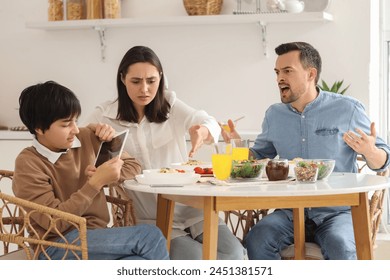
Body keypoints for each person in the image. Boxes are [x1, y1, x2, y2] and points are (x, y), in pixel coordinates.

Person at [222, 41, 390, 260]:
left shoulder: (347, 109)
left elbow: (383, 160)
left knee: (341, 245)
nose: (279, 78)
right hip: (289, 211)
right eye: (277, 72)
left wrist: (370, 152)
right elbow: (259, 155)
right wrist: (237, 146)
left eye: (287, 71)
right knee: (257, 240)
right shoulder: (274, 115)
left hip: (337, 212)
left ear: (311, 74)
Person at [84, 45, 244, 260]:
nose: (145, 89)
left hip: (193, 209)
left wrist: (203, 131)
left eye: (151, 81)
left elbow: (206, 121)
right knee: (197, 259)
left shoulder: (170, 104)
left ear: (160, 78)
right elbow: (75, 140)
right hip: (151, 218)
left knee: (233, 253)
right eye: (136, 81)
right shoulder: (105, 115)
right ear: (122, 79)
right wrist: (94, 131)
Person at [13, 80, 169, 260]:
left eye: (75, 121)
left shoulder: (86, 137)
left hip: (98, 236)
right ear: (39, 128)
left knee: (137, 262)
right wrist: (95, 183)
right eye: (65, 124)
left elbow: (134, 167)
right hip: (56, 245)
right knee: (150, 236)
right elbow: (54, 224)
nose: (74, 129)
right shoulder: (28, 163)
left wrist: (112, 145)